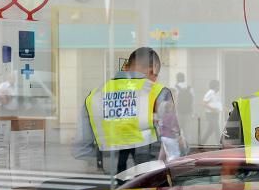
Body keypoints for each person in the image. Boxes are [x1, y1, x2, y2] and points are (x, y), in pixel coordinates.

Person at [73, 47, 176, 176]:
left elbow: (81, 150)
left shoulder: (95, 96)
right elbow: (173, 143)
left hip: (109, 179)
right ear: (153, 70)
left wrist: (101, 166)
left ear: (125, 67)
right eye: (155, 75)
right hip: (149, 176)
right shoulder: (158, 93)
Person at [201, 79, 223, 145]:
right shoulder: (210, 93)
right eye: (218, 85)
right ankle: (220, 145)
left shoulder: (215, 93)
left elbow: (216, 104)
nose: (219, 87)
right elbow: (204, 103)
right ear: (215, 86)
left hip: (215, 114)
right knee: (217, 129)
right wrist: (213, 109)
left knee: (210, 130)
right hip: (210, 114)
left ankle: (201, 143)